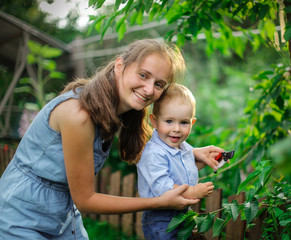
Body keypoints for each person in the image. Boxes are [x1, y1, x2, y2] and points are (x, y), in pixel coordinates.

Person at [0, 39, 223, 239]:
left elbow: (153, 156)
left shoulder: (121, 110)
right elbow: (85, 199)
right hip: (20, 214)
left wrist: (191, 153)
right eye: (143, 75)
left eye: (158, 84)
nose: (148, 89)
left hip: (62, 213)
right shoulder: (80, 115)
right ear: (119, 66)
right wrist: (160, 201)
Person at [137, 83, 214, 239]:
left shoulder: (183, 147)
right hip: (160, 218)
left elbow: (183, 168)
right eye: (169, 121)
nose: (177, 129)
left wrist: (204, 160)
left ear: (192, 123)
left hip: (181, 213)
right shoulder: (154, 153)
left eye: (184, 122)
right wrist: (193, 192)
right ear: (154, 121)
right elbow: (163, 187)